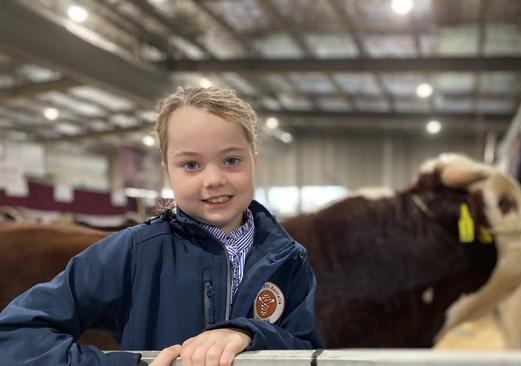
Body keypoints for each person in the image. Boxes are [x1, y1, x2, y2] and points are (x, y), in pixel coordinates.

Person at [0, 87, 324, 365]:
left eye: (231, 160)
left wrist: (250, 333)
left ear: (254, 158)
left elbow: (307, 350)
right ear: (167, 169)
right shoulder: (133, 252)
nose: (214, 179)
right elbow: (15, 334)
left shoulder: (288, 259)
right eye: (191, 164)